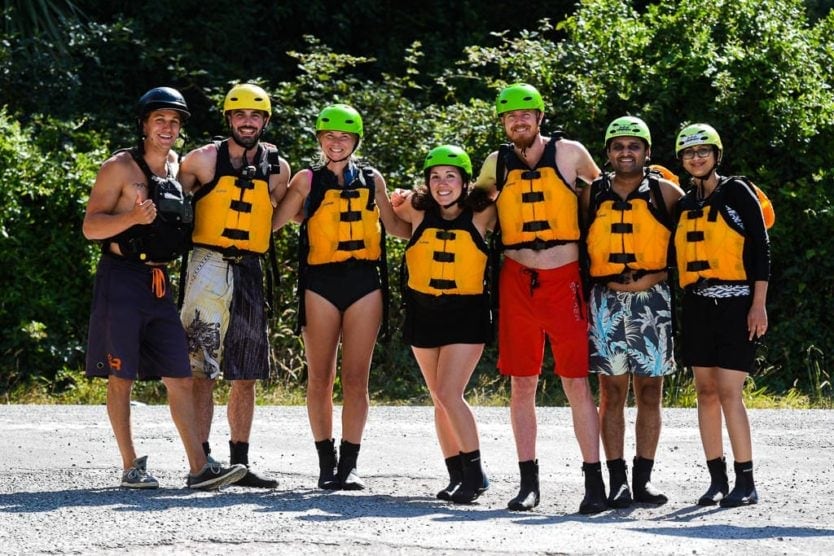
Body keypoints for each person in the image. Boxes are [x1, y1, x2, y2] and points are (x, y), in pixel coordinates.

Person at [82, 86, 247, 490]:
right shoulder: (119, 167)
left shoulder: (176, 167)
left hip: (159, 283)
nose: (167, 127)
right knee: (122, 377)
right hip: (121, 277)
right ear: (143, 124)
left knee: (180, 375)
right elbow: (90, 227)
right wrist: (132, 219)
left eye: (174, 121)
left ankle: (198, 468)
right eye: (160, 120)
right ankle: (129, 466)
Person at [470, 83, 607, 513]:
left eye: (526, 114)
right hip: (516, 280)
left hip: (564, 277)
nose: (519, 121)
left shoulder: (570, 154)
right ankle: (529, 482)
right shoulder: (496, 164)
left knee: (575, 382)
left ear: (540, 117)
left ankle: (594, 482)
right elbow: (470, 208)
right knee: (522, 383)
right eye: (511, 117)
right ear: (503, 123)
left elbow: (609, 197)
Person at [273, 103, 409, 490]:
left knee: (355, 379)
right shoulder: (305, 180)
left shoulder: (372, 178)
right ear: (319, 139)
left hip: (365, 281)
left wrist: (422, 206)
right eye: (330, 136)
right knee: (320, 377)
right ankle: (325, 459)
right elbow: (276, 221)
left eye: (344, 136)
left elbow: (396, 226)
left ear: (355, 141)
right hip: (320, 283)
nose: (337, 142)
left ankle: (350, 463)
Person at [178, 83, 290, 488]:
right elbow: (170, 200)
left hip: (249, 268)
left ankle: (239, 462)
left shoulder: (279, 167)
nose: (248, 121)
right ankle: (202, 461)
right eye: (240, 114)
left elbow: (279, 211)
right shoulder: (202, 161)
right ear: (228, 118)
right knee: (200, 368)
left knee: (246, 371)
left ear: (265, 120)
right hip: (206, 264)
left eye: (255, 115)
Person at [580, 116, 684, 508]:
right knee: (611, 392)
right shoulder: (592, 194)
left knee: (650, 392)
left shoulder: (666, 193)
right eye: (618, 146)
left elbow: (690, 244)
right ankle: (617, 480)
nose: (627, 152)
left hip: (651, 302)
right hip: (606, 302)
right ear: (607, 153)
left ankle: (643, 480)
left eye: (634, 145)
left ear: (647, 151)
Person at [390, 145, 496, 504]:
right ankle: (456, 475)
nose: (442, 183)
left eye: (451, 175)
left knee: (450, 394)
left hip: (467, 312)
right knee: (439, 399)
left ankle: (476, 473)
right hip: (424, 313)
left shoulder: (484, 214)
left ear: (465, 181)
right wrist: (388, 196)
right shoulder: (416, 210)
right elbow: (391, 218)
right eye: (435, 177)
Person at [673, 123, 769, 507]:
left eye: (703, 152)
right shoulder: (685, 204)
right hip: (698, 306)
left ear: (716, 155)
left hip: (737, 304)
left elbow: (760, 249)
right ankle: (717, 480)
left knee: (730, 393)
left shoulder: (738, 192)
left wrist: (758, 304)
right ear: (682, 161)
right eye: (689, 153)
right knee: (705, 393)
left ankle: (746, 482)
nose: (696, 158)